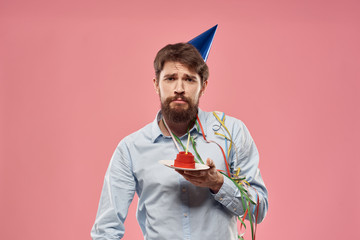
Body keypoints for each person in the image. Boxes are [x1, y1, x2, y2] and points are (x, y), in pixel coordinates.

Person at [91, 31, 268, 240]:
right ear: (156, 84)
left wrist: (218, 182)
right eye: (170, 78)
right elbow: (106, 229)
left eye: (190, 79)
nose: (179, 88)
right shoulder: (130, 148)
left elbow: (259, 210)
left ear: (203, 87)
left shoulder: (231, 133)